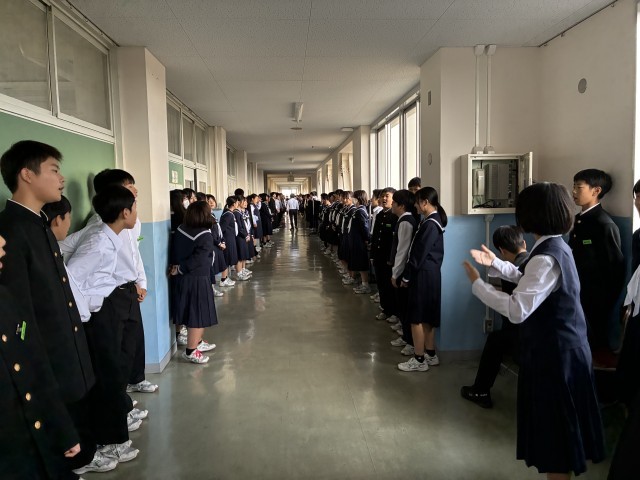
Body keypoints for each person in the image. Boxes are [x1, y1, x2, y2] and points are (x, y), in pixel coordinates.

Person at [463, 182, 605, 479]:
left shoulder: (545, 257)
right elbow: (529, 279)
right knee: (557, 437)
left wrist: (478, 285)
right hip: (563, 351)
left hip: (557, 359)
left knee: (556, 442)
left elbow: (517, 309)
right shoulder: (556, 247)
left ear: (530, 215)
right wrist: (497, 263)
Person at [0, 140, 100, 473]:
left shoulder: (40, 224)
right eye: (54, 170)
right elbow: (21, 320)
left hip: (67, 362)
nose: (61, 178)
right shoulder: (12, 231)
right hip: (47, 370)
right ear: (27, 175)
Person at [66, 185, 141, 465]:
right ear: (125, 212)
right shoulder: (99, 241)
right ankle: (110, 441)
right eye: (134, 206)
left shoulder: (109, 236)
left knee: (114, 372)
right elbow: (69, 278)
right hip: (95, 316)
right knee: (107, 376)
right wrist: (86, 311)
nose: (136, 212)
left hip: (104, 309)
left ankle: (111, 435)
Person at [0, 234, 83, 480]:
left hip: (36, 449)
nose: (3, 242)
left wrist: (63, 428)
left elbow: (35, 367)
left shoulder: (5, 298)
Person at [460, 225, 528, 408]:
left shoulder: (518, 268)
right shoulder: (532, 262)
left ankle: (481, 390)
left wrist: (477, 283)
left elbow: (511, 307)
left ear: (502, 251)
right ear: (524, 243)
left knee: (495, 341)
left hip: (526, 332)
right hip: (536, 329)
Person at [569, 169, 624, 355]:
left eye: (579, 187)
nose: (573, 191)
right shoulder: (579, 220)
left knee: (593, 344)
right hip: (578, 290)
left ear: (596, 190)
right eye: (573, 186)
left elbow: (615, 267)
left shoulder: (603, 223)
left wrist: (604, 301)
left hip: (595, 298)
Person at [397, 187, 446, 372]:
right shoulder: (432, 221)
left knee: (416, 318)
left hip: (423, 275)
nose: (415, 206)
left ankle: (419, 359)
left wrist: (407, 276)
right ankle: (430, 354)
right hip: (430, 274)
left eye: (417, 203)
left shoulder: (430, 224)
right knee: (427, 317)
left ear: (425, 202)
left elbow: (418, 255)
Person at [170, 201, 218, 364]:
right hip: (197, 279)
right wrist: (182, 268)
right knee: (198, 314)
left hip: (183, 278)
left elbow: (175, 251)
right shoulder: (205, 235)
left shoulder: (180, 229)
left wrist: (177, 268)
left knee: (188, 311)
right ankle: (191, 351)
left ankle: (197, 342)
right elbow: (199, 259)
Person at [388, 190, 418, 354]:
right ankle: (406, 336)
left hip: (403, 270)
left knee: (405, 307)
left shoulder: (406, 222)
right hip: (401, 269)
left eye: (394, 202)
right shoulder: (402, 220)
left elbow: (403, 250)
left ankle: (410, 342)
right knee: (402, 306)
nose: (391, 204)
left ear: (401, 205)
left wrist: (395, 273)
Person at [370, 188, 398, 322]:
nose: (384, 199)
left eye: (387, 196)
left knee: (390, 286)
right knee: (381, 284)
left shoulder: (395, 216)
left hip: (389, 259)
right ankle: (385, 309)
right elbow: (376, 236)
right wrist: (372, 254)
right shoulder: (380, 214)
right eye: (382, 196)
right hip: (379, 256)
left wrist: (392, 259)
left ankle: (394, 312)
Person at [348, 190, 371, 294]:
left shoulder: (360, 211)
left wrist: (366, 239)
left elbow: (364, 227)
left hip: (360, 241)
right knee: (358, 261)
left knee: (362, 263)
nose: (352, 199)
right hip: (356, 240)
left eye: (353, 197)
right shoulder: (357, 210)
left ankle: (365, 285)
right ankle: (363, 283)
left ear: (358, 199)